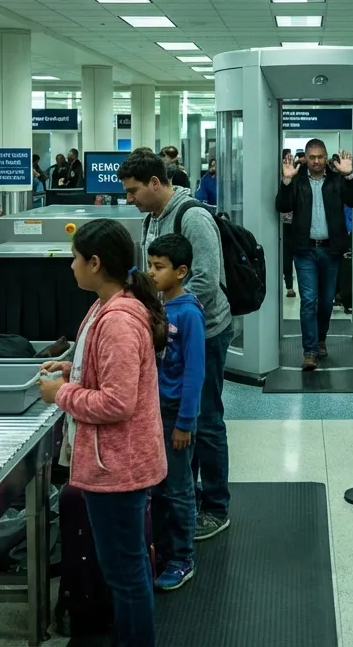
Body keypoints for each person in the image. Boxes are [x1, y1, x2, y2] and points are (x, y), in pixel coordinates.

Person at [38, 219, 167, 647]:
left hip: (118, 466)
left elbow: (116, 402)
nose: (70, 266)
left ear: (95, 263)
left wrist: (62, 393)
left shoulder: (118, 322)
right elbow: (103, 370)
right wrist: (73, 367)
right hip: (109, 461)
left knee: (126, 575)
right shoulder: (105, 307)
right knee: (122, 570)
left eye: (75, 258)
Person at [118, 150, 234, 541]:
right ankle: (191, 495)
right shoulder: (152, 218)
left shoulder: (193, 216)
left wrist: (162, 314)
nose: (129, 199)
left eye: (134, 191)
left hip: (204, 330)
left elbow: (205, 277)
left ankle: (216, 506)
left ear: (155, 183)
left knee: (206, 418)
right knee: (181, 417)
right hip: (168, 331)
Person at [146, 233, 205, 592]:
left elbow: (195, 372)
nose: (152, 273)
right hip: (154, 409)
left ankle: (183, 558)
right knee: (159, 487)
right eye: (150, 265)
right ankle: (164, 551)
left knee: (179, 488)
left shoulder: (189, 314)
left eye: (159, 267)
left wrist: (185, 422)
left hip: (175, 414)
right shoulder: (158, 307)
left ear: (180, 271)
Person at [277, 140, 353, 371]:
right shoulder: (296, 180)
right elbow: (282, 206)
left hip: (330, 249)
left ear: (326, 158)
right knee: (309, 301)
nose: (316, 161)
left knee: (325, 302)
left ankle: (321, 337)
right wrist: (286, 181)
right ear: (305, 157)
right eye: (312, 157)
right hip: (304, 250)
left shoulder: (336, 179)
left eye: (320, 157)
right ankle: (310, 351)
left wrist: (349, 176)